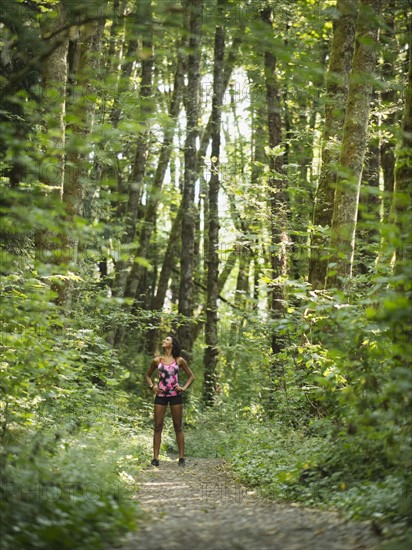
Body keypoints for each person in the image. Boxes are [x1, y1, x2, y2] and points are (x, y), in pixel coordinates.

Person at [145, 335, 195, 467]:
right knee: (157, 426)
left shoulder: (179, 361)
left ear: (172, 345)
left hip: (175, 396)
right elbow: (148, 376)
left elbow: (191, 376)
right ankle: (155, 458)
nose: (164, 341)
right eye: (164, 339)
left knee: (178, 427)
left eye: (167, 340)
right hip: (160, 396)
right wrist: (152, 386)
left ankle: (181, 458)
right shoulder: (157, 361)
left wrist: (183, 388)